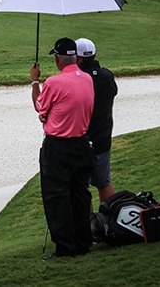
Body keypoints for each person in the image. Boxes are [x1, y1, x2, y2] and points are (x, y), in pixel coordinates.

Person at [30, 37, 94, 260]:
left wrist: (34, 82)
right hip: (82, 144)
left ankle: (66, 247)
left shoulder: (53, 83)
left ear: (58, 59)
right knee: (79, 194)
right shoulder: (87, 79)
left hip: (58, 147)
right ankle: (83, 241)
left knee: (57, 196)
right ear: (75, 57)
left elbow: (39, 106)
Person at [76, 38, 118, 203]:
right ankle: (110, 222)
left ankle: (87, 226)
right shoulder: (107, 76)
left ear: (77, 59)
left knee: (81, 188)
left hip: (82, 141)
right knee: (104, 183)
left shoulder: (78, 80)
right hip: (102, 138)